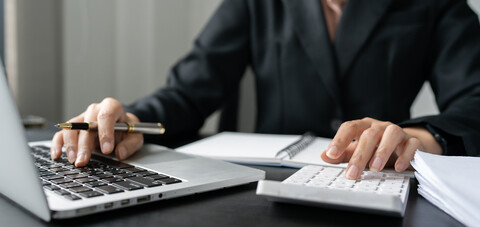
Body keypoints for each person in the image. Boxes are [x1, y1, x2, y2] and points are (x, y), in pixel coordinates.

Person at [50, 0, 480, 180]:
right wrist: (127, 123)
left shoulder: (437, 4)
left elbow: (475, 98)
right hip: (266, 192)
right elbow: (188, 91)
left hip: (380, 184)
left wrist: (419, 139)